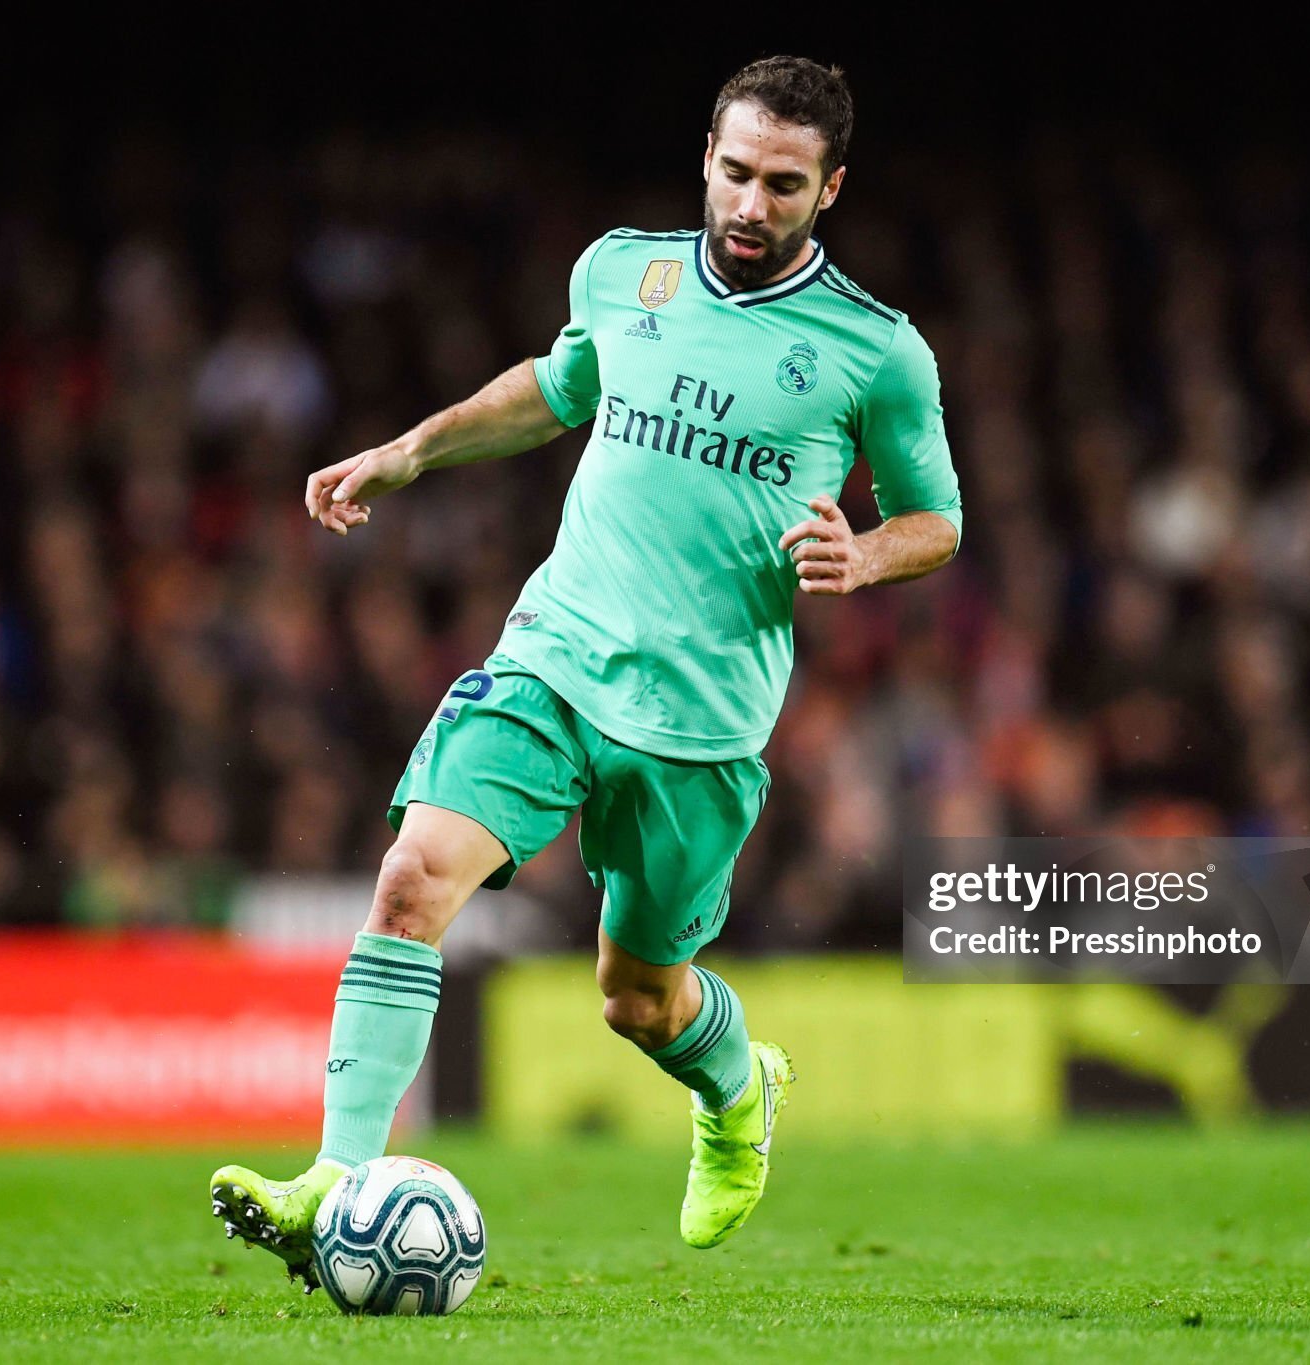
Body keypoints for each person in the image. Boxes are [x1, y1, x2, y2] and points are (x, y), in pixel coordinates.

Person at [210, 54, 963, 1288]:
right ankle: (334, 1181)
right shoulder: (624, 271)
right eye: (734, 171)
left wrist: (865, 552)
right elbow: (556, 390)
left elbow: (937, 519)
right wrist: (409, 451)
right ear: (705, 156)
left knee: (636, 999)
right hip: (552, 657)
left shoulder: (876, 352)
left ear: (830, 189)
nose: (749, 204)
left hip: (701, 723)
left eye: (782, 185)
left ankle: (736, 1085)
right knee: (410, 881)